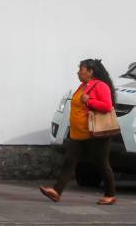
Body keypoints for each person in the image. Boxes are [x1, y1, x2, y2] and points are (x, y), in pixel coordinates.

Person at [40, 59, 117, 205]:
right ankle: (56, 192)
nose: (78, 72)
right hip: (78, 133)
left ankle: (110, 194)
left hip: (95, 133)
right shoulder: (83, 86)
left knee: (102, 163)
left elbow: (107, 106)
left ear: (90, 71)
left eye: (81, 70)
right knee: (69, 162)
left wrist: (89, 101)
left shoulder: (101, 86)